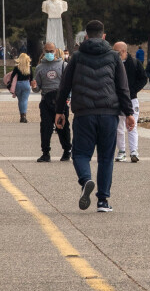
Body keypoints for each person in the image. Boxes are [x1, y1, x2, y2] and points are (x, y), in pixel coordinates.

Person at [51, 21, 133, 211]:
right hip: (108, 114)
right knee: (105, 158)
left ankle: (86, 179)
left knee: (80, 154)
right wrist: (129, 113)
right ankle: (103, 201)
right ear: (104, 36)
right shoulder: (114, 57)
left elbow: (64, 87)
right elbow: (122, 88)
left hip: (84, 114)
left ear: (86, 37)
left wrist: (59, 111)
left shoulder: (77, 57)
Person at [33, 47, 70, 163]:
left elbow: (69, 83)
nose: (49, 53)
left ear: (56, 51)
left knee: (62, 126)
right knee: (45, 127)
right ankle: (45, 153)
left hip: (60, 100)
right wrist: (34, 87)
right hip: (46, 100)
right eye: (47, 51)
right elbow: (37, 88)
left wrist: (68, 97)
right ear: (43, 52)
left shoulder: (64, 65)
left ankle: (67, 150)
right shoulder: (39, 67)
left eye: (51, 51)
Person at [112, 42, 142, 163]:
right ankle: (122, 151)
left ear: (124, 51)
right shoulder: (112, 63)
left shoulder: (135, 63)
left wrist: (133, 90)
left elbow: (143, 78)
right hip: (117, 99)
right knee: (119, 128)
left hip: (131, 99)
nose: (115, 54)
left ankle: (134, 151)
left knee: (132, 126)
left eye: (117, 52)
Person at [8, 48, 33, 123]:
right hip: (26, 84)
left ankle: (21, 116)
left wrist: (11, 83)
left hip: (18, 84)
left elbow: (12, 76)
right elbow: (31, 77)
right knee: (25, 100)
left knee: (20, 100)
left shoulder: (17, 67)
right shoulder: (29, 67)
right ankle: (24, 116)